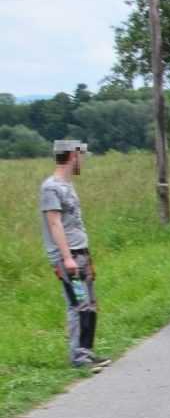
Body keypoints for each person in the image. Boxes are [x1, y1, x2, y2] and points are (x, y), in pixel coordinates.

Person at [40, 140, 110, 370]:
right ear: (72, 155)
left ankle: (86, 352)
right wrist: (67, 257)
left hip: (81, 253)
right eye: (81, 156)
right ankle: (78, 358)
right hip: (69, 257)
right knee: (77, 304)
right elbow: (54, 223)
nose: (83, 160)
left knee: (89, 304)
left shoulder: (67, 185)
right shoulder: (51, 187)